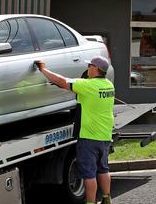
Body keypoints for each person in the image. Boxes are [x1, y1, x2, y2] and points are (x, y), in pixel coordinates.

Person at [35, 56, 114, 204]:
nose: (87, 68)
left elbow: (62, 81)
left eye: (89, 65)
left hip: (89, 137)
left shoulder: (88, 85)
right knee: (103, 169)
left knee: (89, 173)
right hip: (105, 135)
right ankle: (106, 198)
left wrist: (42, 69)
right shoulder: (109, 85)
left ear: (96, 69)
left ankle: (90, 202)